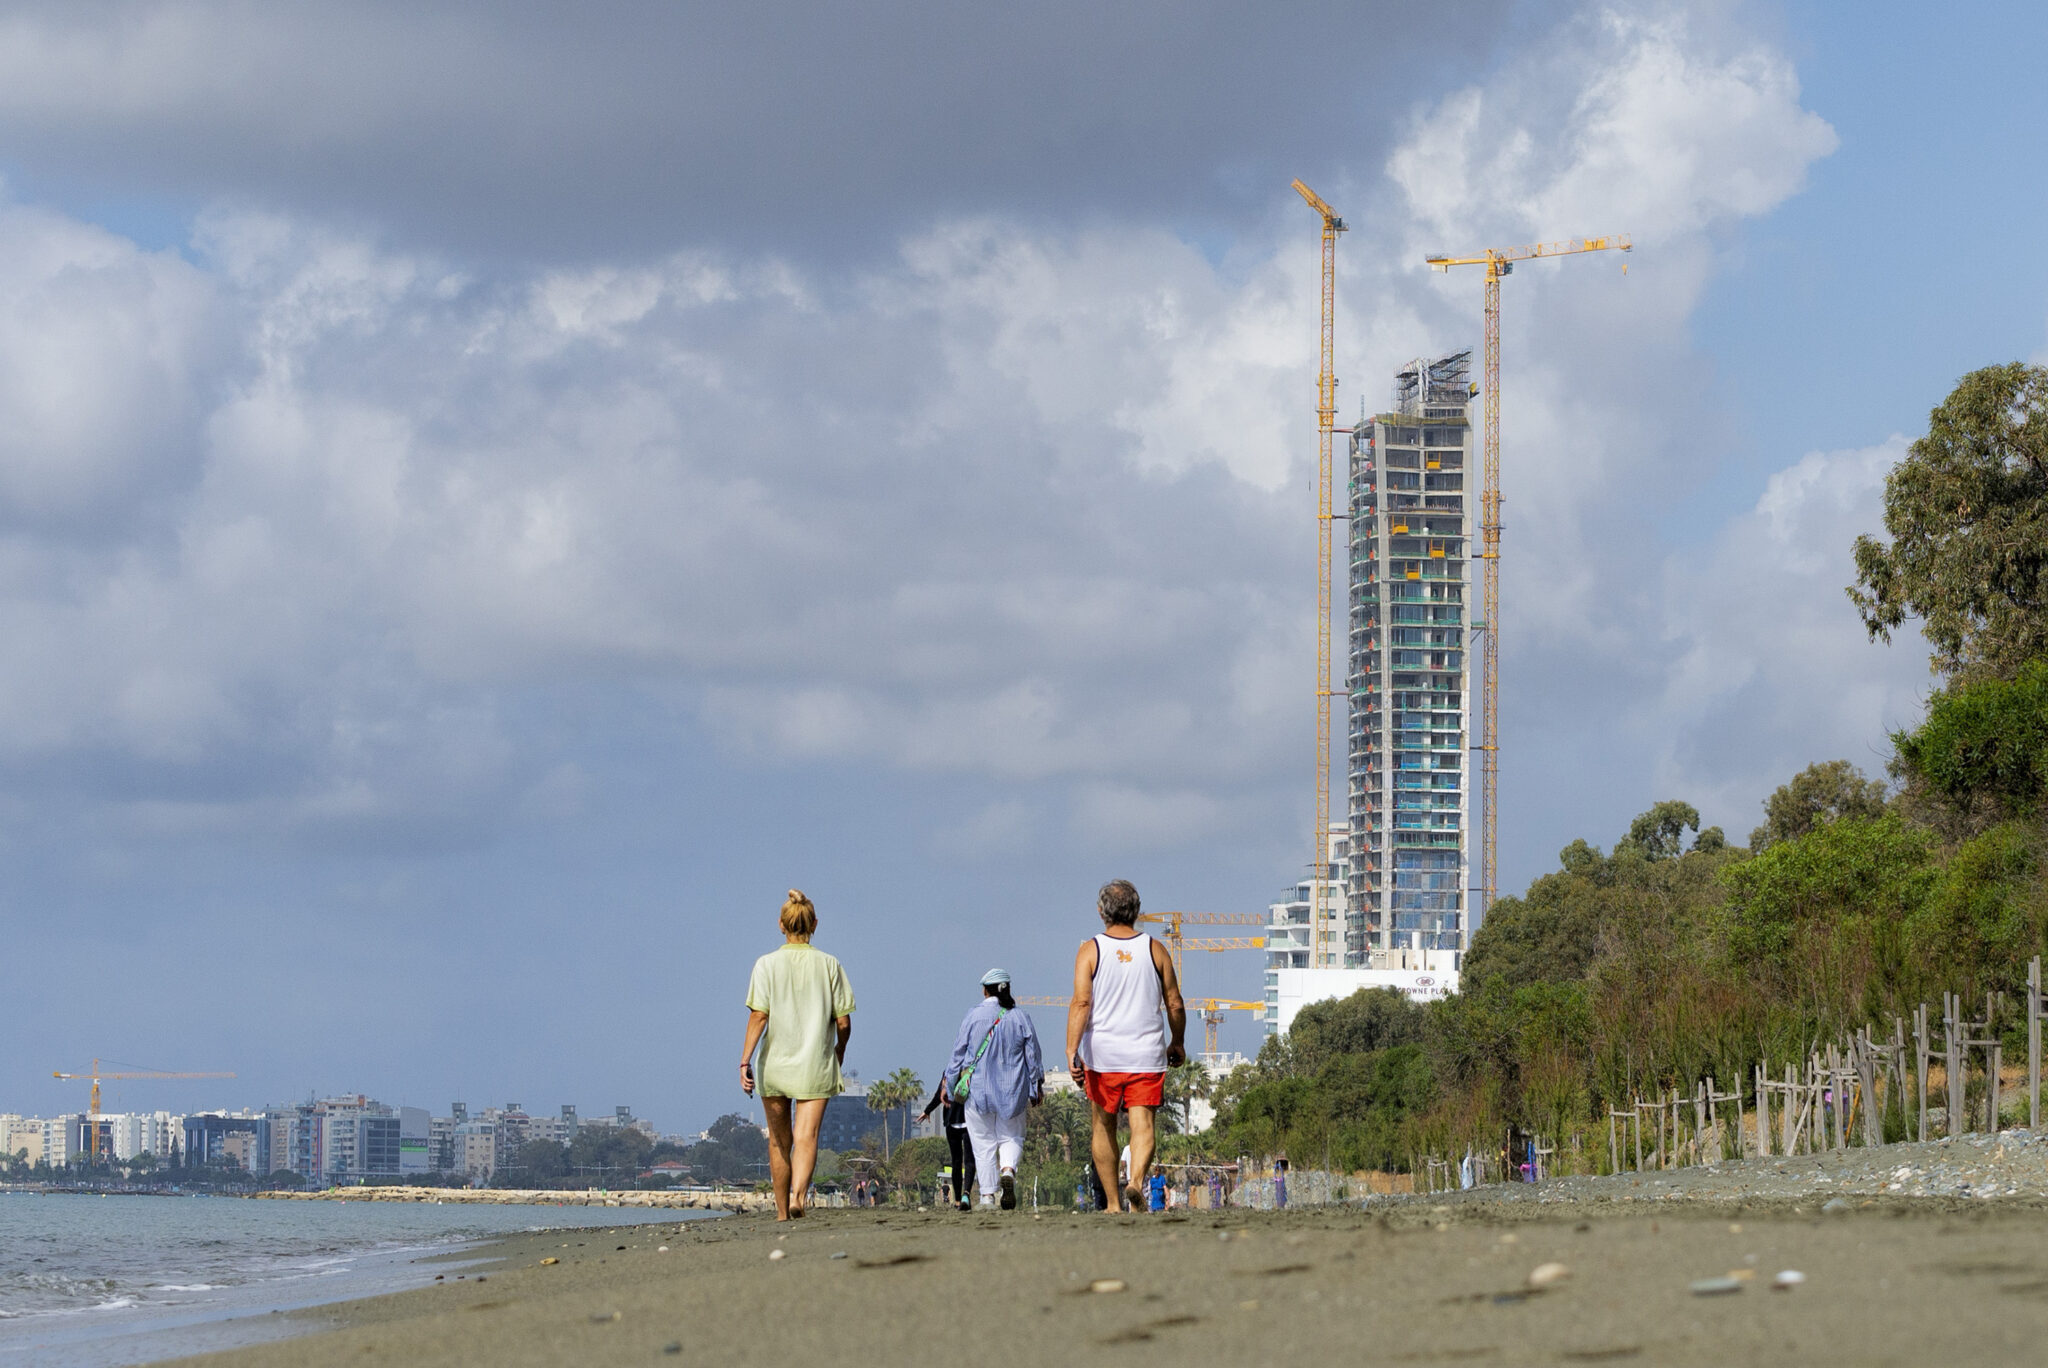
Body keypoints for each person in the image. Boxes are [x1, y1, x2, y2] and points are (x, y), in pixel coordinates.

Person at [1065, 879, 1186, 1214]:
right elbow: (1174, 1003)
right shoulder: (1155, 949)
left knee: (1103, 1126)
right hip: (1146, 1053)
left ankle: (1114, 1204)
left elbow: (1080, 1004)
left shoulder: (1090, 950)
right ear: (1136, 911)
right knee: (1142, 1126)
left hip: (1103, 1055)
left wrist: (1071, 1050)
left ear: (1101, 911)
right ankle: (1135, 1181)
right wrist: (1177, 1041)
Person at [739, 889, 855, 1221]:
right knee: (806, 1136)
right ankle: (799, 1197)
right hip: (815, 1064)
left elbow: (758, 1016)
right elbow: (844, 1022)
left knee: (779, 1140)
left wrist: (745, 1061)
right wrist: (839, 1050)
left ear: (781, 925)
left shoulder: (765, 964)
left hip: (774, 1065)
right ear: (814, 924)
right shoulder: (830, 964)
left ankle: (780, 1214)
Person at [943, 968, 1044, 1210]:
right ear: (1008, 989)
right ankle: (1008, 1169)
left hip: (978, 1093)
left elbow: (957, 1054)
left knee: (982, 1142)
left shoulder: (973, 1016)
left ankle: (987, 1196)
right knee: (1011, 1136)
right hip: (1013, 1092)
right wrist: (1036, 1086)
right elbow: (1033, 1056)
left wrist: (949, 1087)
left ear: (984, 990)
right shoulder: (1021, 1017)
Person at [914, 1074, 975, 1211]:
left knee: (957, 1162)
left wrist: (927, 1111)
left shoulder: (949, 1071)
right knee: (968, 1160)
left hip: (953, 1119)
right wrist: (927, 1110)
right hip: (968, 1120)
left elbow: (939, 1094)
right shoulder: (971, 1070)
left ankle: (959, 1200)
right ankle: (965, 1196)